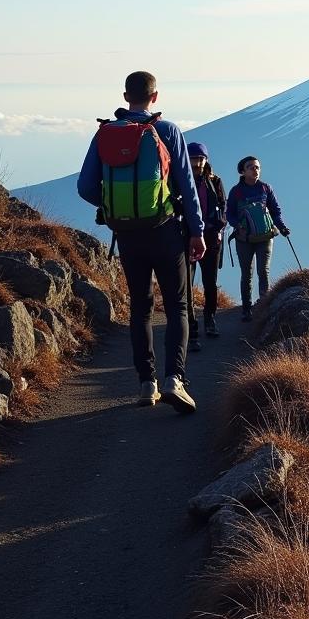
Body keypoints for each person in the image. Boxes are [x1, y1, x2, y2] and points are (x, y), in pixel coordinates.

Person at [77, 71, 205, 413]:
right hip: (165, 231)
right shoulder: (167, 131)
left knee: (140, 307)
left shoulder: (105, 133)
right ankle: (173, 380)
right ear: (155, 97)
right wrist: (197, 231)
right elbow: (188, 187)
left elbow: (85, 187)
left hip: (128, 236)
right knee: (177, 305)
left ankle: (146, 383)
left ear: (125, 95)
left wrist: (113, 210)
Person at [226, 155, 290, 321]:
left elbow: (275, 210)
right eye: (251, 167)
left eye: (257, 167)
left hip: (265, 237)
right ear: (243, 171)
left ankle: (263, 307)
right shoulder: (236, 191)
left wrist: (282, 227)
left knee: (263, 271)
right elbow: (229, 214)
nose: (256, 170)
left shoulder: (265, 188)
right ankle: (247, 309)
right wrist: (236, 225)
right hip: (244, 239)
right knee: (246, 274)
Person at [186, 141, 228, 351]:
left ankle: (209, 319)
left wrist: (219, 228)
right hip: (187, 238)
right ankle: (191, 327)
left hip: (211, 238)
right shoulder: (181, 180)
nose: (198, 162)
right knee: (187, 285)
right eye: (194, 158)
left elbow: (223, 206)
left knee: (210, 283)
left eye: (201, 158)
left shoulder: (215, 181)